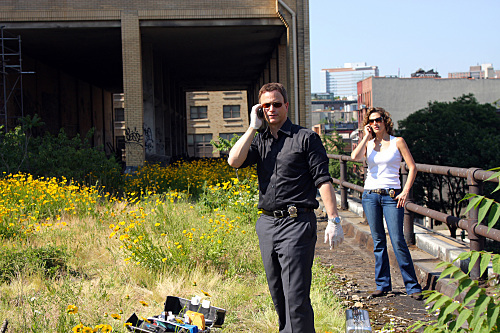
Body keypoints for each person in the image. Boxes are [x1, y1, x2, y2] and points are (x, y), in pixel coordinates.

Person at [227, 83, 344, 332]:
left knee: (296, 297)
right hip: (267, 224)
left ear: (286, 106)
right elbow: (234, 161)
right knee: (278, 293)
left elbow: (322, 179)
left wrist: (334, 220)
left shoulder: (306, 138)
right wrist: (251, 127)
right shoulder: (260, 141)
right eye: (265, 105)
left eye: (276, 104)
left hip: (296, 223)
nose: (271, 109)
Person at [350, 107, 422, 300]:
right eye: (371, 121)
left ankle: (412, 286)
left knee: (398, 240)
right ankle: (382, 284)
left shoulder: (397, 142)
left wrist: (405, 191)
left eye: (378, 120)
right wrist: (365, 137)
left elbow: (412, 167)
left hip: (392, 195)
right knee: (378, 241)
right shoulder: (369, 143)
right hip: (370, 195)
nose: (375, 123)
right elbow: (354, 158)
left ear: (385, 121)